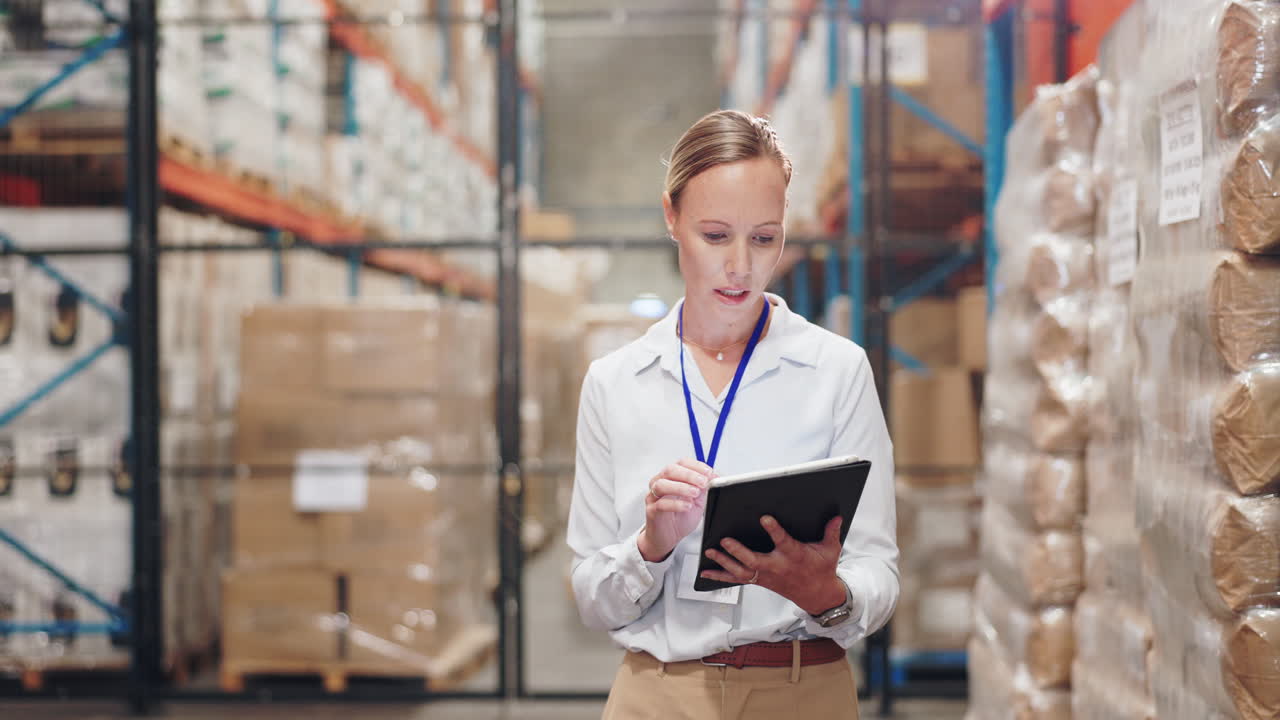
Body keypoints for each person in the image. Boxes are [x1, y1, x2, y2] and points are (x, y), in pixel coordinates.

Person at [566, 109, 898, 720]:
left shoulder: (837, 371)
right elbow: (592, 599)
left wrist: (828, 593)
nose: (740, 265)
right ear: (671, 217)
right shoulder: (615, 384)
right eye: (715, 236)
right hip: (657, 695)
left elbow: (878, 571)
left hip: (804, 691)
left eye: (764, 237)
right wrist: (650, 546)